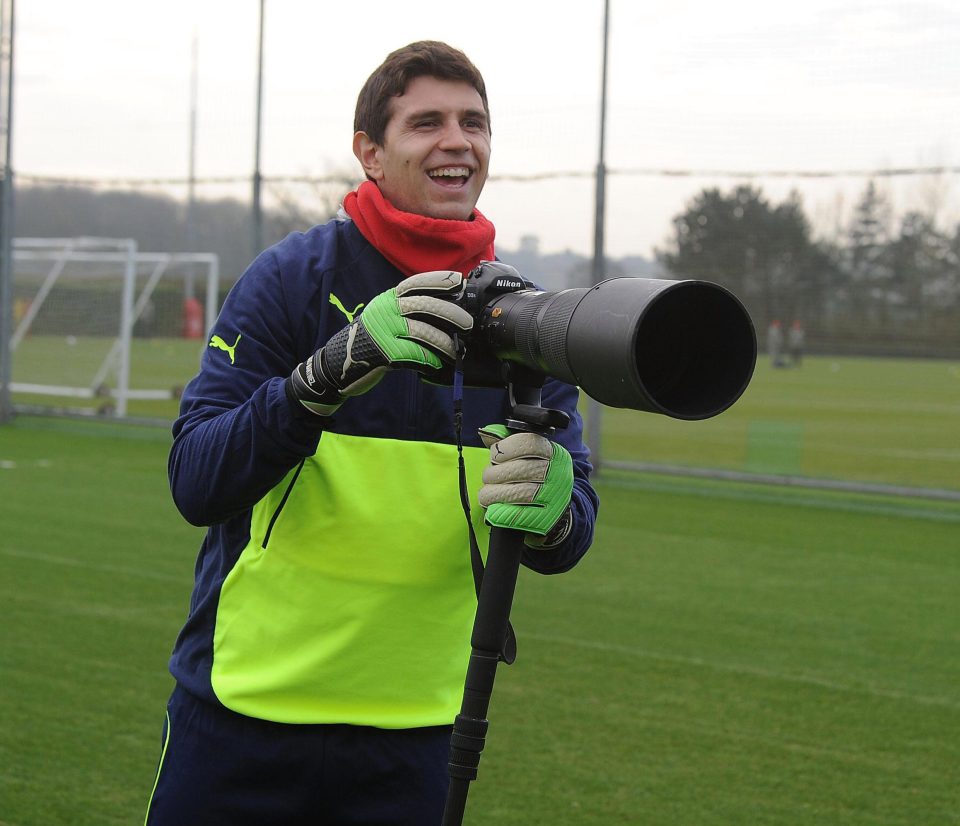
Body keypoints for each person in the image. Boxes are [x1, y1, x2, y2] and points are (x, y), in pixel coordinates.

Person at [144, 41, 598, 826]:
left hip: (419, 730)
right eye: (426, 122)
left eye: (474, 123)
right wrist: (321, 378)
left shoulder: (525, 317)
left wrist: (559, 507)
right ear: (371, 153)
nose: (458, 140)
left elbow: (569, 528)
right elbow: (195, 479)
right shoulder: (290, 278)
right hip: (242, 711)